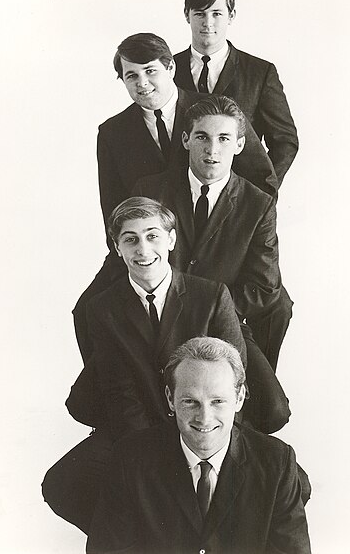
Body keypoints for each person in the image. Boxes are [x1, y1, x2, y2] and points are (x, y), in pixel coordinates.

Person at [42, 198, 289, 533]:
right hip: (138, 423)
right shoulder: (103, 309)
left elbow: (231, 378)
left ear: (171, 240)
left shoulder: (211, 295)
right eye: (130, 239)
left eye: (152, 235)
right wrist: (151, 453)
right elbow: (119, 391)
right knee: (62, 484)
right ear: (117, 247)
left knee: (289, 485)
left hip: (204, 419)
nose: (143, 249)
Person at [73, 32, 277, 364]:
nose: (142, 83)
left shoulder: (209, 112)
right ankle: (119, 389)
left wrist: (242, 229)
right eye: (131, 76)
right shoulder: (112, 132)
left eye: (150, 71)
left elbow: (261, 177)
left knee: (276, 307)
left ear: (171, 68)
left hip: (223, 237)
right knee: (87, 309)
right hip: (154, 246)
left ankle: (240, 395)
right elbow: (113, 207)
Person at [87, 337, 311, 554]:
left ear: (239, 398)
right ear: (170, 398)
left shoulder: (278, 462)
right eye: (190, 401)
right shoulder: (129, 459)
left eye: (218, 402)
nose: (204, 418)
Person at [134, 95, 292, 370]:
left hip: (223, 324)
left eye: (224, 138)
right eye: (202, 137)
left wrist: (209, 312)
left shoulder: (258, 204)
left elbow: (263, 288)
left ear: (240, 144)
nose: (212, 149)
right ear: (185, 140)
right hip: (157, 318)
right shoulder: (150, 192)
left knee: (275, 409)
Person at [174, 0, 299, 185]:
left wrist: (263, 192)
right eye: (200, 14)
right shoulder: (168, 70)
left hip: (240, 201)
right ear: (187, 15)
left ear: (231, 16)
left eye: (217, 14)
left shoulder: (260, 72)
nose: (208, 23)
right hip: (179, 200)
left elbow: (285, 141)